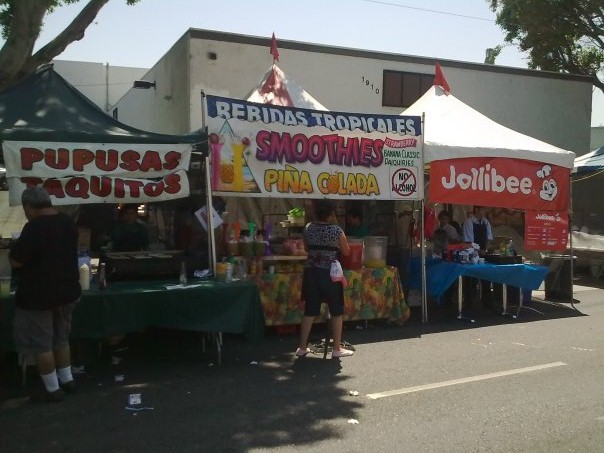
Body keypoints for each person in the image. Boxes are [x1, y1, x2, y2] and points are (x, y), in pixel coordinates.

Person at [9, 187, 81, 402]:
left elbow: (16, 261)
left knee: (42, 345)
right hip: (67, 291)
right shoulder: (68, 223)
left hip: (38, 296)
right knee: (61, 339)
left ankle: (52, 389)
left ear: (29, 207)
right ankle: (67, 380)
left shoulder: (34, 228)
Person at [297, 199, 354, 359]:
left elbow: (306, 248)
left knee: (310, 310)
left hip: (311, 272)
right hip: (331, 274)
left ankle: (302, 347)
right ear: (331, 214)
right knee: (336, 310)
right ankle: (336, 348)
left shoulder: (308, 228)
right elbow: (346, 252)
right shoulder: (337, 231)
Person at [462, 206, 494, 307]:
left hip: (483, 253)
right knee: (470, 278)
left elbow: (489, 239)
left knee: (486, 276)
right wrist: (478, 250)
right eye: (483, 209)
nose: (485, 211)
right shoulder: (469, 222)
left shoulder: (485, 222)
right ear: (477, 210)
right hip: (471, 253)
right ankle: (468, 301)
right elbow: (468, 241)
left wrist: (486, 249)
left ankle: (487, 301)